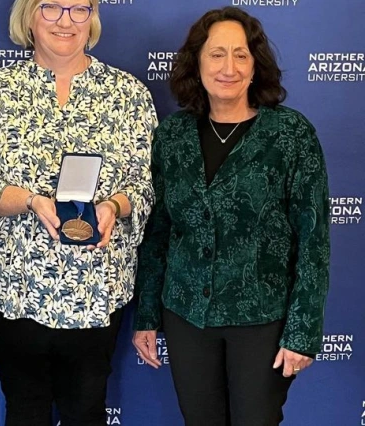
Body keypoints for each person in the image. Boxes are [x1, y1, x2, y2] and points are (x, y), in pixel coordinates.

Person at [132, 6, 329, 426]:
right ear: (197, 63)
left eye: (241, 55)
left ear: (256, 66)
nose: (229, 67)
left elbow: (314, 241)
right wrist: (147, 315)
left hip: (263, 319)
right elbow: (158, 232)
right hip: (186, 316)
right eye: (216, 54)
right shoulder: (172, 136)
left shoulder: (291, 134)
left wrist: (302, 333)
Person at [0, 1, 156, 425]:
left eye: (79, 8)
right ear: (29, 16)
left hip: (99, 286)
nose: (65, 20)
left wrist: (114, 206)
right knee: (25, 406)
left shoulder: (128, 93)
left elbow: (145, 186)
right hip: (14, 285)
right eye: (50, 7)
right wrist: (31, 201)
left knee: (86, 408)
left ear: (93, 17)